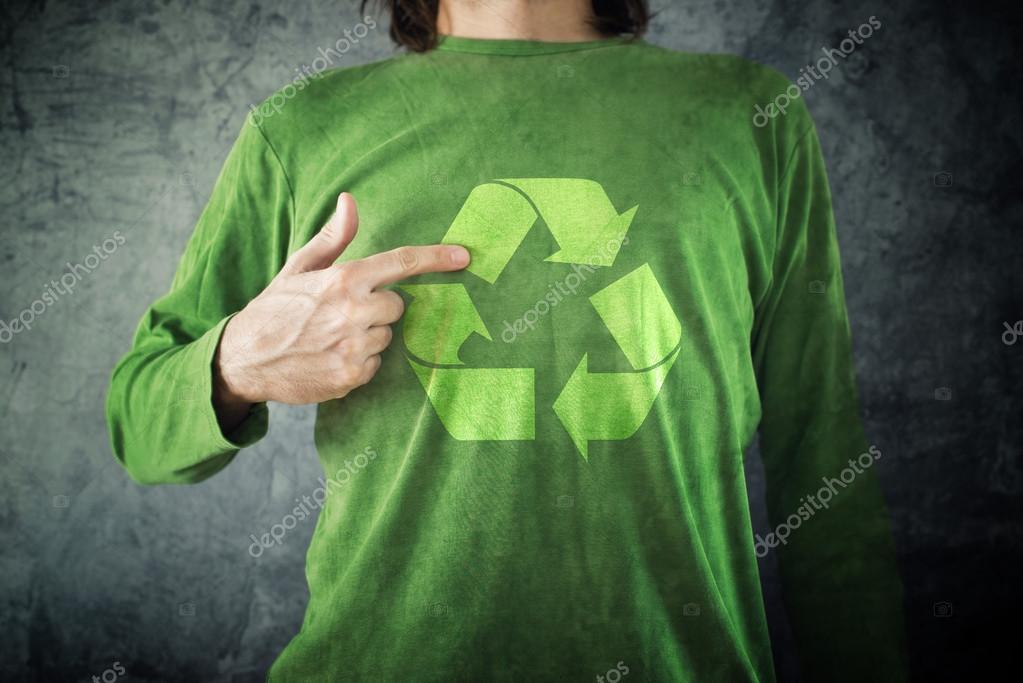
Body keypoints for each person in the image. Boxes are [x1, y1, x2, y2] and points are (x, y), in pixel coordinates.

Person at [106, 0, 908, 680]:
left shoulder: (749, 116)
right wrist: (235, 361)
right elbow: (139, 428)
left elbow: (822, 454)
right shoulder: (302, 129)